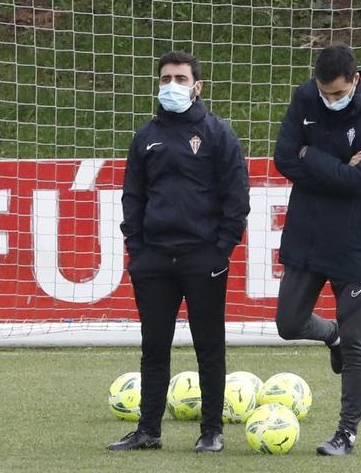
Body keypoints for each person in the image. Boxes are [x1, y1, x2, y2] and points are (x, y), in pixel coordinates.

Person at [108, 51, 250, 453]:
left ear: (197, 86)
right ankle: (148, 430)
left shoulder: (218, 134)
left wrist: (221, 249)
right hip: (153, 259)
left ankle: (211, 431)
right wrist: (137, 249)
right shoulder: (145, 136)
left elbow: (237, 197)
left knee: (209, 346)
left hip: (203, 257)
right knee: (154, 346)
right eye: (166, 78)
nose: (172, 85)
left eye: (181, 79)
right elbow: (132, 196)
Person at [272, 43, 361, 456]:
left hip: (354, 240)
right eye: (324, 92)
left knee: (358, 341)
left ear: (355, 82)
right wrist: (338, 167)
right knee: (288, 323)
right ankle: (331, 336)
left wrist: (314, 157)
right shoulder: (305, 95)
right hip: (306, 233)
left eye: (337, 93)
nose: (329, 99)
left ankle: (346, 432)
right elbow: (284, 159)